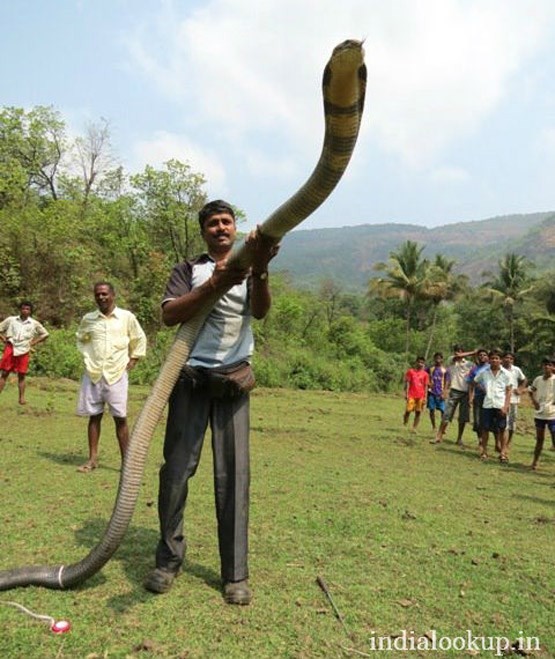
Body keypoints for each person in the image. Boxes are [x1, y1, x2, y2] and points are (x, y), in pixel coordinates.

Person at [144, 200, 280, 605]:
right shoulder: (189, 270)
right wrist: (213, 284)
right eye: (213, 223)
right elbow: (170, 316)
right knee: (175, 476)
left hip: (233, 384)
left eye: (227, 221)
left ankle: (235, 575)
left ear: (235, 229)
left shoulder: (250, 266)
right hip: (189, 381)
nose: (221, 228)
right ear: (203, 231)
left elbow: (260, 311)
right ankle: (168, 561)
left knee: (234, 479)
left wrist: (261, 269)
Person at [76, 282, 147, 473]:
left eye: (105, 294)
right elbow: (81, 338)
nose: (101, 297)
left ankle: (126, 463)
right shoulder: (89, 319)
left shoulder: (126, 317)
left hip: (116, 374)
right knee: (94, 416)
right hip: (94, 373)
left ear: (113, 295)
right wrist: (87, 357)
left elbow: (138, 339)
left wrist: (133, 360)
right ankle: (92, 460)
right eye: (98, 294)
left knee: (120, 419)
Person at [0, 301, 49, 405]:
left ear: (30, 311)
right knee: (4, 373)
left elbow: (45, 334)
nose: (25, 311)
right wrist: (3, 339)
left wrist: (33, 343)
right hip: (11, 347)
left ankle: (21, 399)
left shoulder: (34, 323)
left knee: (22, 375)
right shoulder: (11, 320)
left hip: (24, 349)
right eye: (23, 309)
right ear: (20, 309)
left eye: (27, 309)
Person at [432, 345, 477, 446]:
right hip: (454, 391)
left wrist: (471, 396)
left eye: (460, 351)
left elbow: (476, 370)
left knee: (463, 417)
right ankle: (439, 436)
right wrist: (473, 352)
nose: (458, 353)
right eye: (456, 351)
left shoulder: (469, 364)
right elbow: (457, 357)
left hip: (465, 392)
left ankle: (459, 438)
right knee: (446, 415)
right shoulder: (451, 361)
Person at [473, 349, 512, 462]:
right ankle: (484, 452)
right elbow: (475, 381)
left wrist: (506, 406)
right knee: (485, 429)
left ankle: (503, 453)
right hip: (487, 404)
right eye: (492, 358)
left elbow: (509, 391)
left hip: (500, 404)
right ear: (489, 360)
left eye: (497, 358)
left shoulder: (506, 374)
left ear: (500, 360)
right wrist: (484, 389)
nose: (494, 360)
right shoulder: (484, 373)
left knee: (502, 429)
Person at [529, 357, 555, 471]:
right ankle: (535, 462)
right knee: (540, 439)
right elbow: (531, 391)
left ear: (553, 367)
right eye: (545, 365)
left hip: (552, 414)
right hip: (540, 413)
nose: (547, 367)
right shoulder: (538, 379)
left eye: (549, 365)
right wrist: (534, 401)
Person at [501, 351, 527, 447]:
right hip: (501, 400)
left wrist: (520, 389)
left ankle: (508, 442)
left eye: (511, 358)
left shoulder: (516, 370)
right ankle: (501, 442)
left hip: (513, 400)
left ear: (513, 360)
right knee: (503, 423)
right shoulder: (499, 369)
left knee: (512, 422)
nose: (508, 360)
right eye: (506, 357)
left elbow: (524, 379)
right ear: (502, 359)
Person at [466, 349, 489, 445]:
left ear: (487, 357)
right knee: (477, 421)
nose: (482, 356)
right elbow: (471, 384)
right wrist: (470, 397)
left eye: (484, 355)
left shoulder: (491, 367)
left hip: (490, 397)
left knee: (489, 421)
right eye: (480, 355)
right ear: (477, 357)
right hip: (478, 397)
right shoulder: (474, 369)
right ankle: (480, 439)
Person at [403, 356, 430, 432]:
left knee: (418, 412)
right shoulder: (410, 372)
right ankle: (405, 420)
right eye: (419, 362)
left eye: (422, 362)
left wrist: (426, 397)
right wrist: (406, 393)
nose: (420, 364)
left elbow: (426, 386)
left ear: (424, 364)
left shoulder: (425, 374)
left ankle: (414, 428)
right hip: (411, 394)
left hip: (421, 395)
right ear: (416, 362)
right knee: (408, 410)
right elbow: (407, 383)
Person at [426, 352, 449, 430]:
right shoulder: (430, 368)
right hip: (432, 392)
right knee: (432, 410)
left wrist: (444, 392)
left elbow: (447, 381)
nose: (437, 360)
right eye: (436, 358)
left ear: (442, 359)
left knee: (443, 411)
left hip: (440, 393)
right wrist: (428, 383)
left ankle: (442, 428)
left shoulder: (445, 370)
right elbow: (425, 376)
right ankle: (434, 427)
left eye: (439, 358)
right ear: (434, 359)